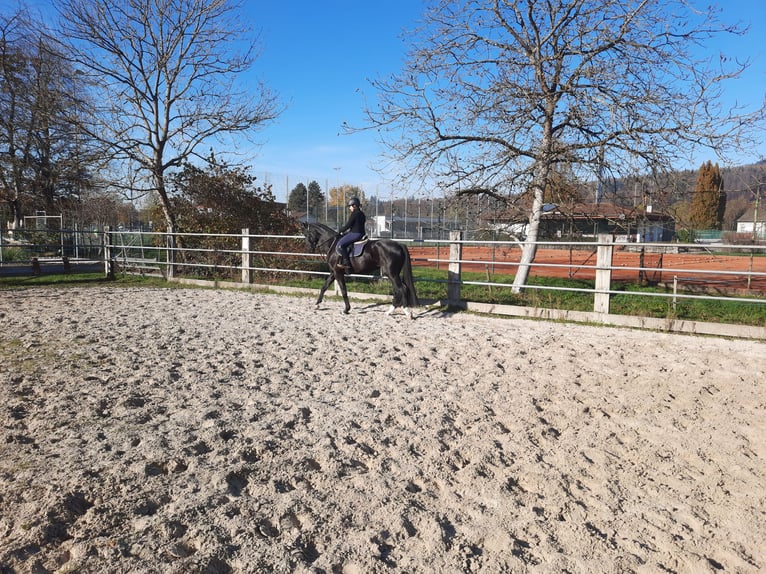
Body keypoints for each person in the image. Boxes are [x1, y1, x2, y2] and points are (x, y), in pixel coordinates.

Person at [336, 197, 366, 271]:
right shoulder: (362, 214)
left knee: (341, 245)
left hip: (355, 234)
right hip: (361, 233)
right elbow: (355, 226)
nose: (349, 208)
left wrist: (340, 230)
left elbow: (348, 225)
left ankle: (347, 263)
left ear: (354, 206)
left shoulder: (354, 214)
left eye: (350, 206)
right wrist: (346, 232)